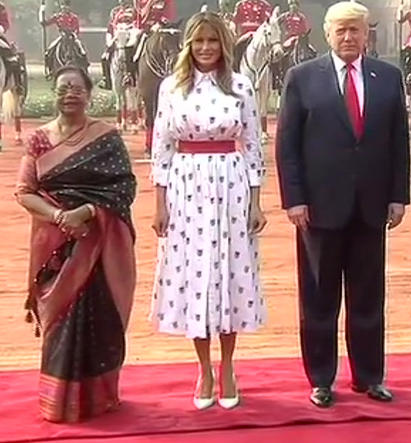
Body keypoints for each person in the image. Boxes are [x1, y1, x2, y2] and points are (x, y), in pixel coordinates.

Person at [276, 1, 410, 408]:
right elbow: (288, 146)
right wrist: (295, 199)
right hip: (318, 208)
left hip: (371, 206)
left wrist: (397, 195)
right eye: (341, 30)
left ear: (367, 33)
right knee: (319, 298)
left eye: (356, 29)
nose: (349, 37)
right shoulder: (302, 78)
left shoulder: (388, 77)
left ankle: (370, 376)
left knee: (368, 297)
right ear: (327, 34)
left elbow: (398, 142)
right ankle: (321, 378)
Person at [150, 11, 267, 411]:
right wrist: (160, 202)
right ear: (188, 45)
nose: (205, 48)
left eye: (212, 41)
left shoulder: (241, 86)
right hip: (185, 187)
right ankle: (204, 369)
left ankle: (229, 365)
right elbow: (161, 147)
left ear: (224, 45)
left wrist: (255, 200)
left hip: (231, 185)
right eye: (198, 41)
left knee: (228, 275)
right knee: (195, 277)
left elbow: (252, 144)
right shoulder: (171, 87)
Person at [14, 66, 137, 422]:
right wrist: (60, 218)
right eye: (63, 87)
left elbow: (124, 188)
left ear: (89, 93)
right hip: (54, 244)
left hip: (98, 243)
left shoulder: (106, 137)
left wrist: (85, 212)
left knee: (99, 315)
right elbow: (24, 191)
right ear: (54, 92)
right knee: (59, 320)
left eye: (77, 88)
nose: (70, 93)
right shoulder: (38, 139)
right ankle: (59, 401)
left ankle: (99, 398)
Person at [40, 0, 88, 79]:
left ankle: (85, 69)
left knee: (82, 51)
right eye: (63, 5)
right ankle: (50, 70)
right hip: (62, 36)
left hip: (72, 36)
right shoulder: (58, 17)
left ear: (69, 7)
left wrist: (74, 34)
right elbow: (45, 23)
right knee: (49, 51)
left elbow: (77, 29)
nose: (64, 7)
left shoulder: (74, 17)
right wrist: (42, 11)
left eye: (66, 6)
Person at [100, 0, 138, 91]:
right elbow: (112, 25)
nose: (122, 2)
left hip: (130, 33)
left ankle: (132, 74)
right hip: (118, 34)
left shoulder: (133, 11)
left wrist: (128, 27)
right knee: (104, 58)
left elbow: (136, 22)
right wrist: (110, 38)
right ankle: (106, 80)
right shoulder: (115, 11)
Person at [0, 1, 23, 89]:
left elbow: (5, 23)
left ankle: (17, 83)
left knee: (9, 53)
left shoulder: (0, 7)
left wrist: (0, 29)